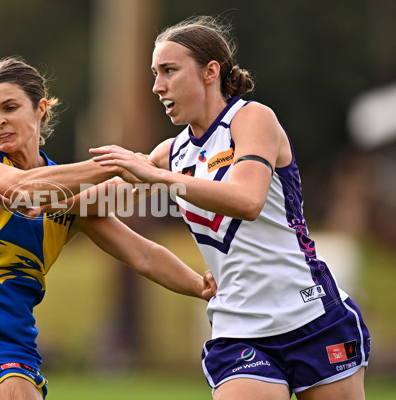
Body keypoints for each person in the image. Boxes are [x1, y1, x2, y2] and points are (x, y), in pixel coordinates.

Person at [0, 56, 216, 400]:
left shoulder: (69, 201)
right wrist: (116, 164)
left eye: (9, 107)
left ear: (41, 108)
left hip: (5, 357)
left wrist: (202, 286)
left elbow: (143, 253)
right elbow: (22, 188)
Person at [89, 15, 371, 400]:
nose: (157, 86)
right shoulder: (169, 154)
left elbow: (248, 200)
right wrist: (26, 194)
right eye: (155, 74)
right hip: (239, 328)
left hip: (313, 316)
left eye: (169, 71)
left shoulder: (252, 118)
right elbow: (92, 205)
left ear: (210, 72)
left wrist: (159, 178)